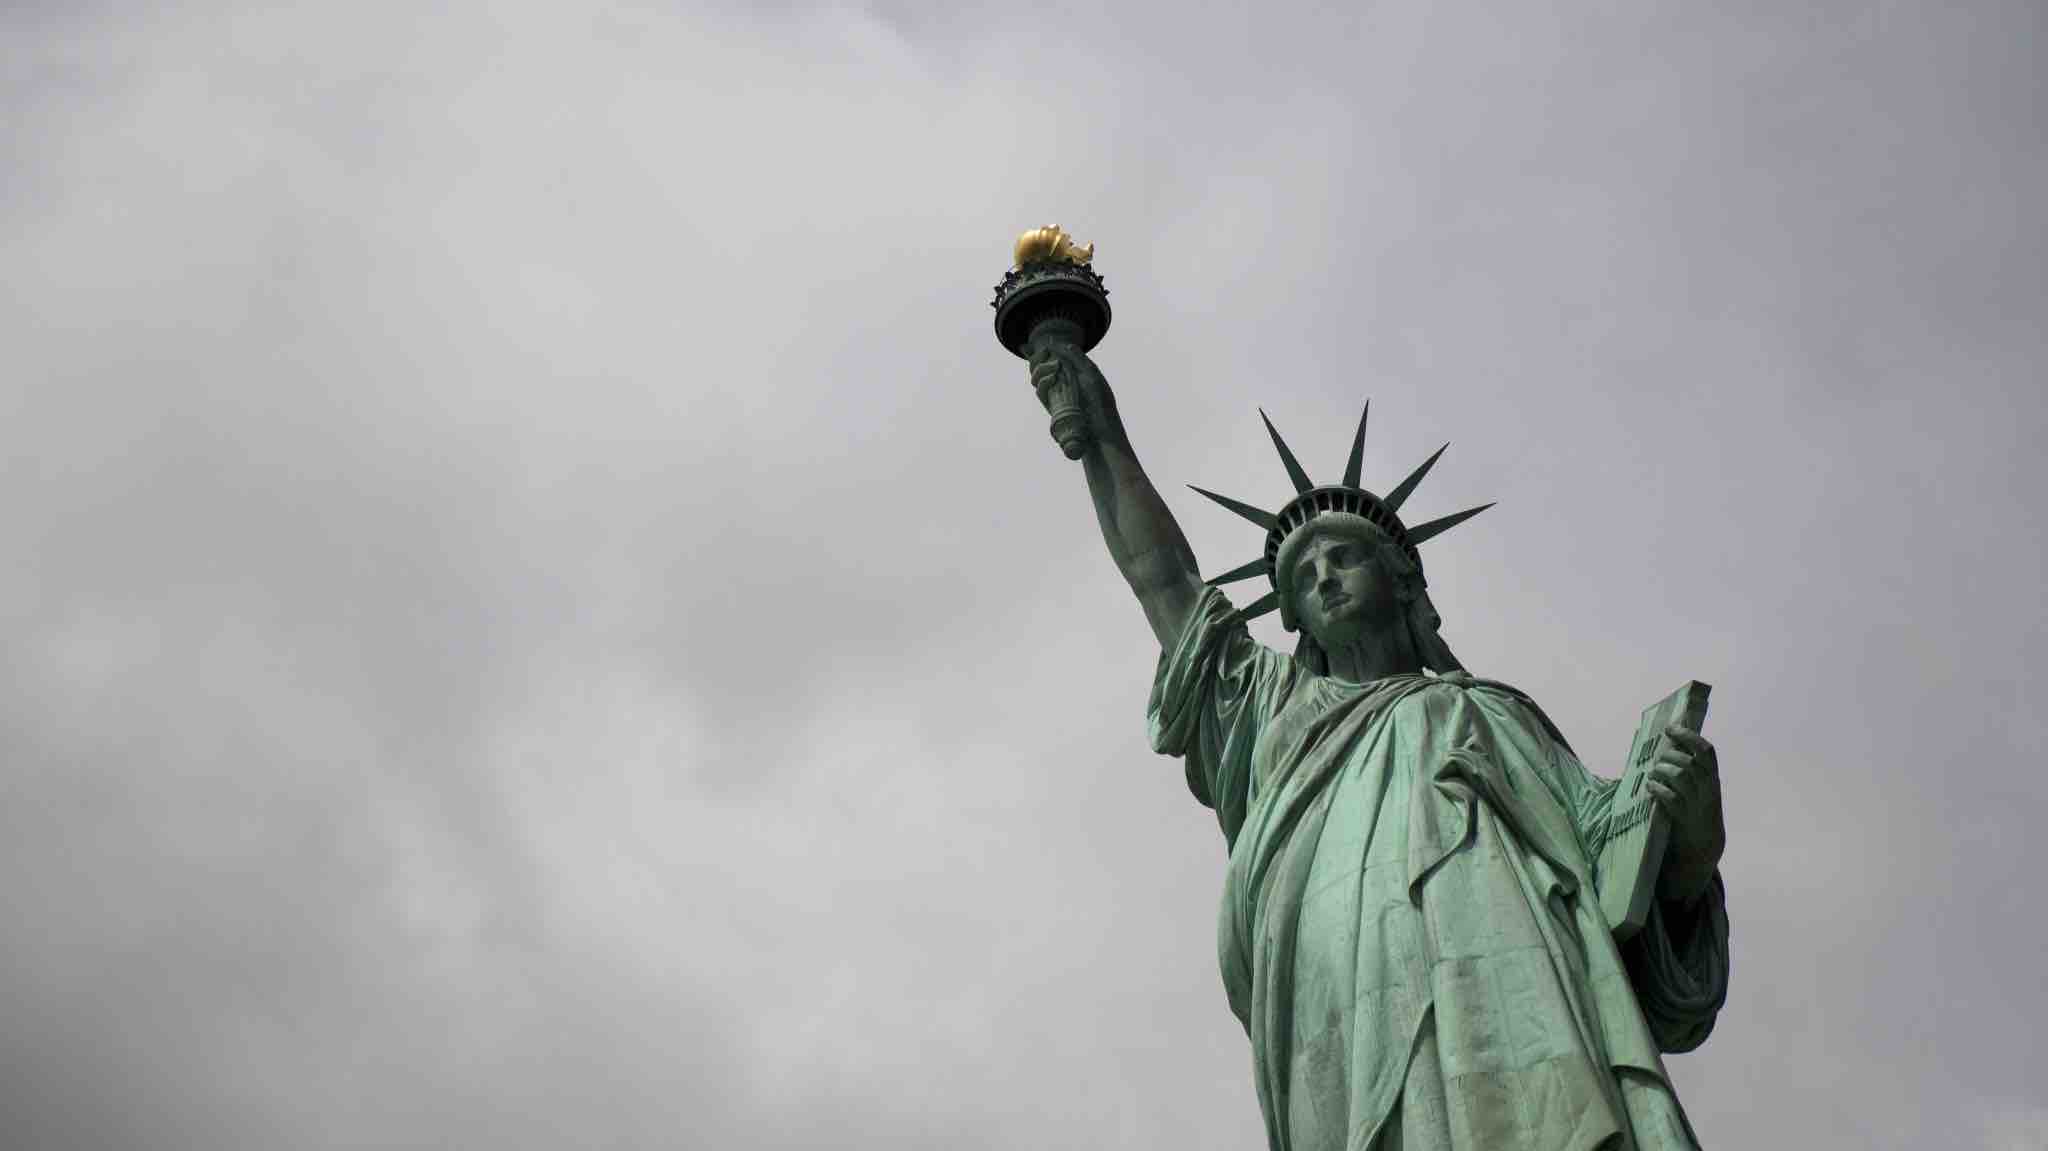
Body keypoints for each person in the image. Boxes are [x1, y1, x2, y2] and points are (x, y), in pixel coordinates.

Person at [1027, 336, 1730, 1150]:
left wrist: (1688, 851)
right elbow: (1167, 585)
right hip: (1340, 1004)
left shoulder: (1496, 716)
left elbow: (1624, 897)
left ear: (1401, 580)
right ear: (1290, 616)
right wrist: (1106, 437)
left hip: (1516, 987)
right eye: (1302, 576)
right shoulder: (1272, 709)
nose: (1323, 575)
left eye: (1342, 556)